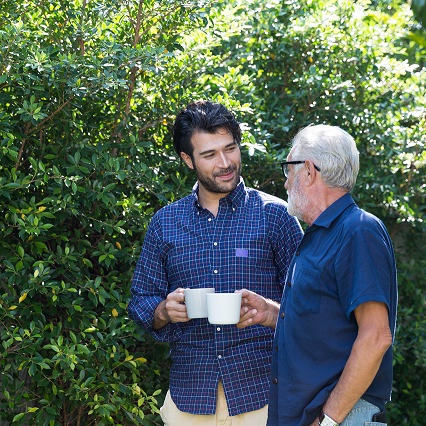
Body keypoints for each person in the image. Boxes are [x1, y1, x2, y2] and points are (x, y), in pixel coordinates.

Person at [127, 100, 303, 425]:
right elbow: (141, 300)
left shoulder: (277, 216)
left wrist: (272, 312)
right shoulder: (165, 223)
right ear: (187, 160)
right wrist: (163, 312)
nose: (225, 163)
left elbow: (313, 307)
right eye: (209, 155)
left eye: (230, 148)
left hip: (264, 397)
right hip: (189, 400)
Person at [237, 124, 398, 426]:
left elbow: (376, 336)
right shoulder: (321, 234)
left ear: (309, 171)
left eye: (289, 169)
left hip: (341, 419)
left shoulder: (358, 231)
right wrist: (272, 313)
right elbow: (328, 324)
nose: (285, 183)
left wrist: (328, 420)